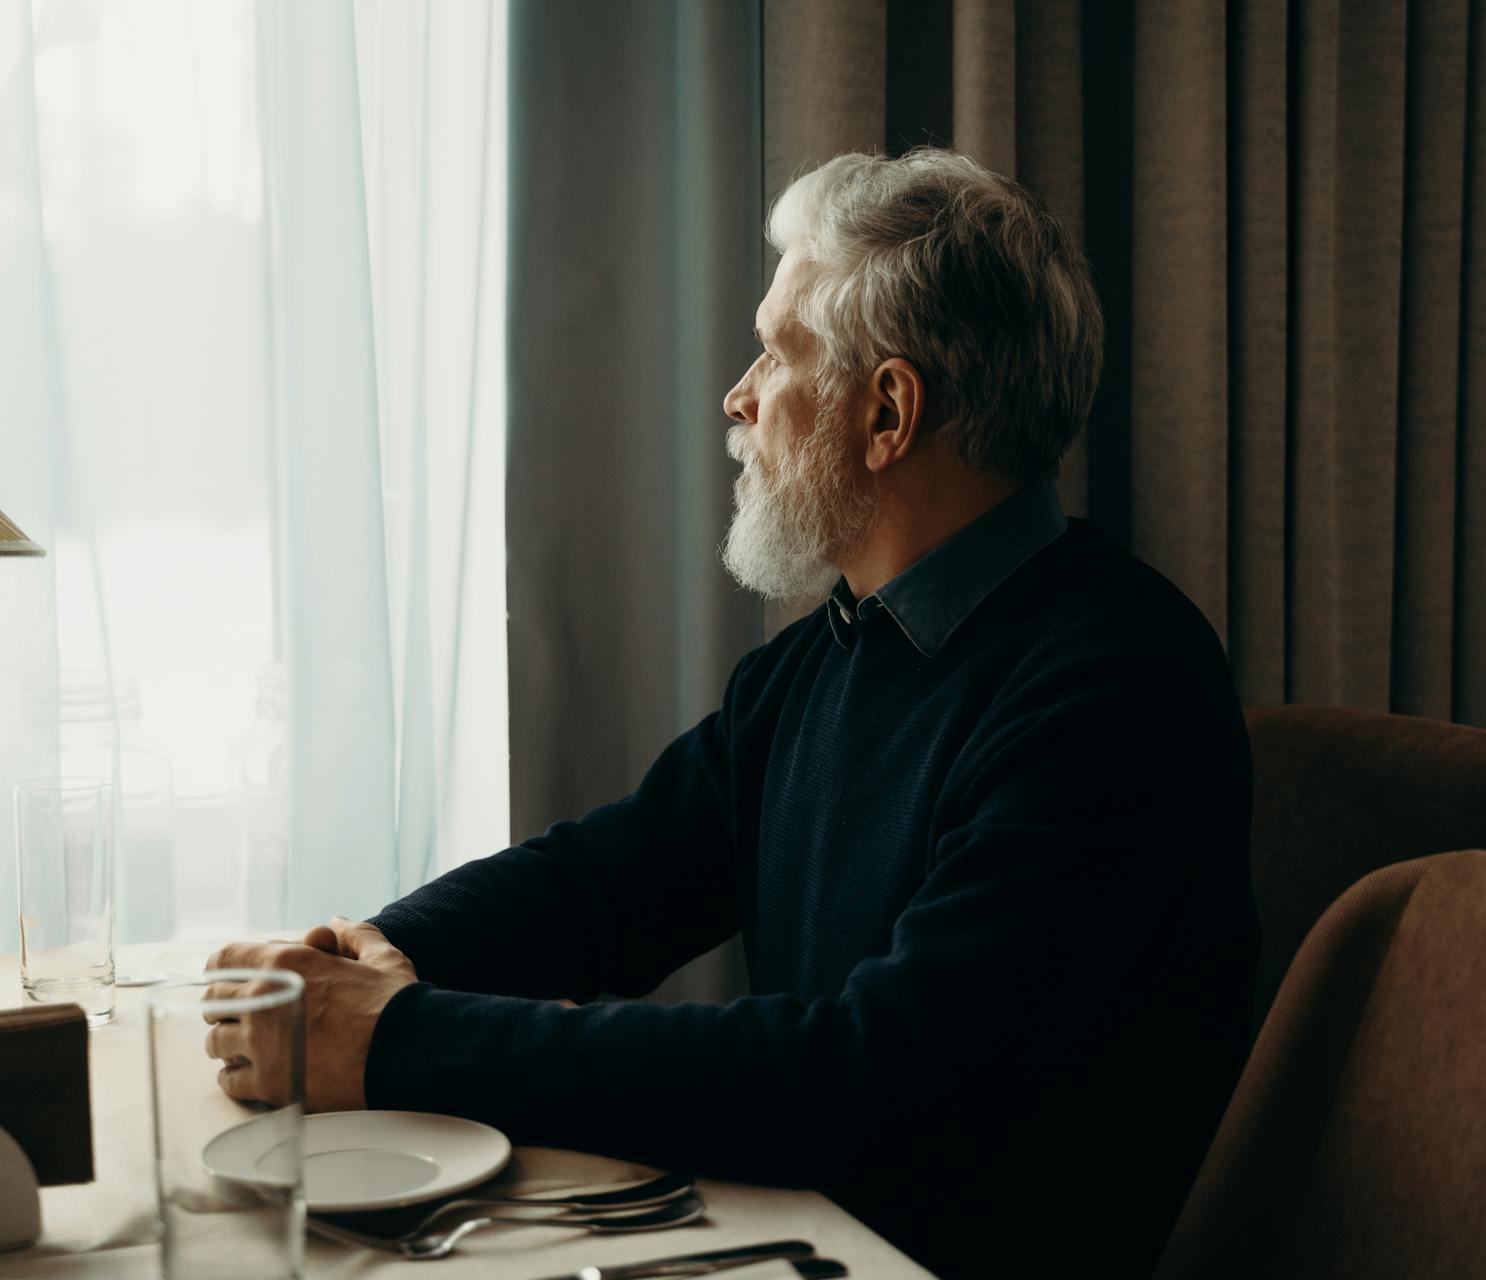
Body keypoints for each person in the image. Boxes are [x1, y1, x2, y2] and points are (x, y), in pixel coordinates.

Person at [205, 147, 1257, 1278]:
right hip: (805, 1232)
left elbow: (874, 1075)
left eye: (777, 351)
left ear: (887, 412)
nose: (739, 393)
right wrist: (378, 952)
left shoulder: (1115, 693)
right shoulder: (832, 651)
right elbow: (616, 874)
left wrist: (396, 1038)